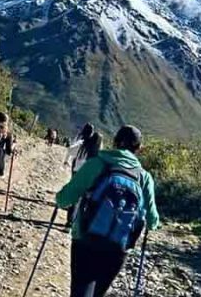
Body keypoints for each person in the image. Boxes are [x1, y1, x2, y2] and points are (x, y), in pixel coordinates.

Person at [56, 125, 160, 297]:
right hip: (119, 246)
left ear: (115, 142)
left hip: (86, 238)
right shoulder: (144, 177)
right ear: (139, 149)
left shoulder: (96, 164)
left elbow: (64, 199)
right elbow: (152, 220)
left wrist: (59, 198)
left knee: (81, 290)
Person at [63, 123, 103, 227]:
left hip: (77, 172)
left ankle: (70, 221)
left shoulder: (82, 145)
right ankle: (78, 222)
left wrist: (67, 161)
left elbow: (70, 149)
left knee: (75, 197)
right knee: (84, 199)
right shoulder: (98, 152)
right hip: (90, 177)